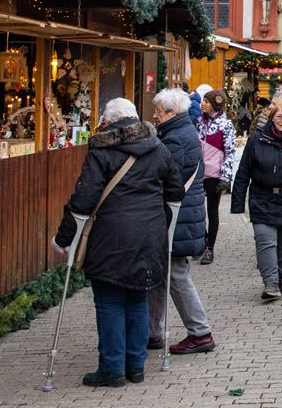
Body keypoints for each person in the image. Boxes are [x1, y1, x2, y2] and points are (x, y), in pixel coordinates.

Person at [52, 97, 182, 387]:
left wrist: (63, 239)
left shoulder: (102, 149)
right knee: (137, 296)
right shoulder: (157, 147)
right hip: (149, 234)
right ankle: (135, 366)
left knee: (109, 301)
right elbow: (175, 188)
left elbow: (83, 200)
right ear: (136, 118)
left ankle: (112, 370)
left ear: (108, 121)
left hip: (111, 235)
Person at [146, 88, 217, 354]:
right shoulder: (182, 132)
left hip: (178, 217)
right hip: (183, 216)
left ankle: (200, 332)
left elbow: (166, 178)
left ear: (172, 113)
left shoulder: (176, 138)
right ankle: (153, 331)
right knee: (163, 274)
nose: (155, 116)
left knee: (176, 274)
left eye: (158, 112)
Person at [231, 94, 282, 300]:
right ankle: (270, 282)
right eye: (279, 116)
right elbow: (243, 172)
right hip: (262, 199)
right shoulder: (257, 140)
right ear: (272, 117)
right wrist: (237, 204)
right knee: (265, 241)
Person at [195, 88, 237, 265]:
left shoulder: (225, 125)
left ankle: (209, 248)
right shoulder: (199, 122)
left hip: (214, 175)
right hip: (198, 173)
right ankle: (201, 242)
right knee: (198, 210)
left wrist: (225, 177)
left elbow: (230, 152)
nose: (202, 103)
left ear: (214, 104)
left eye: (206, 101)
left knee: (212, 211)